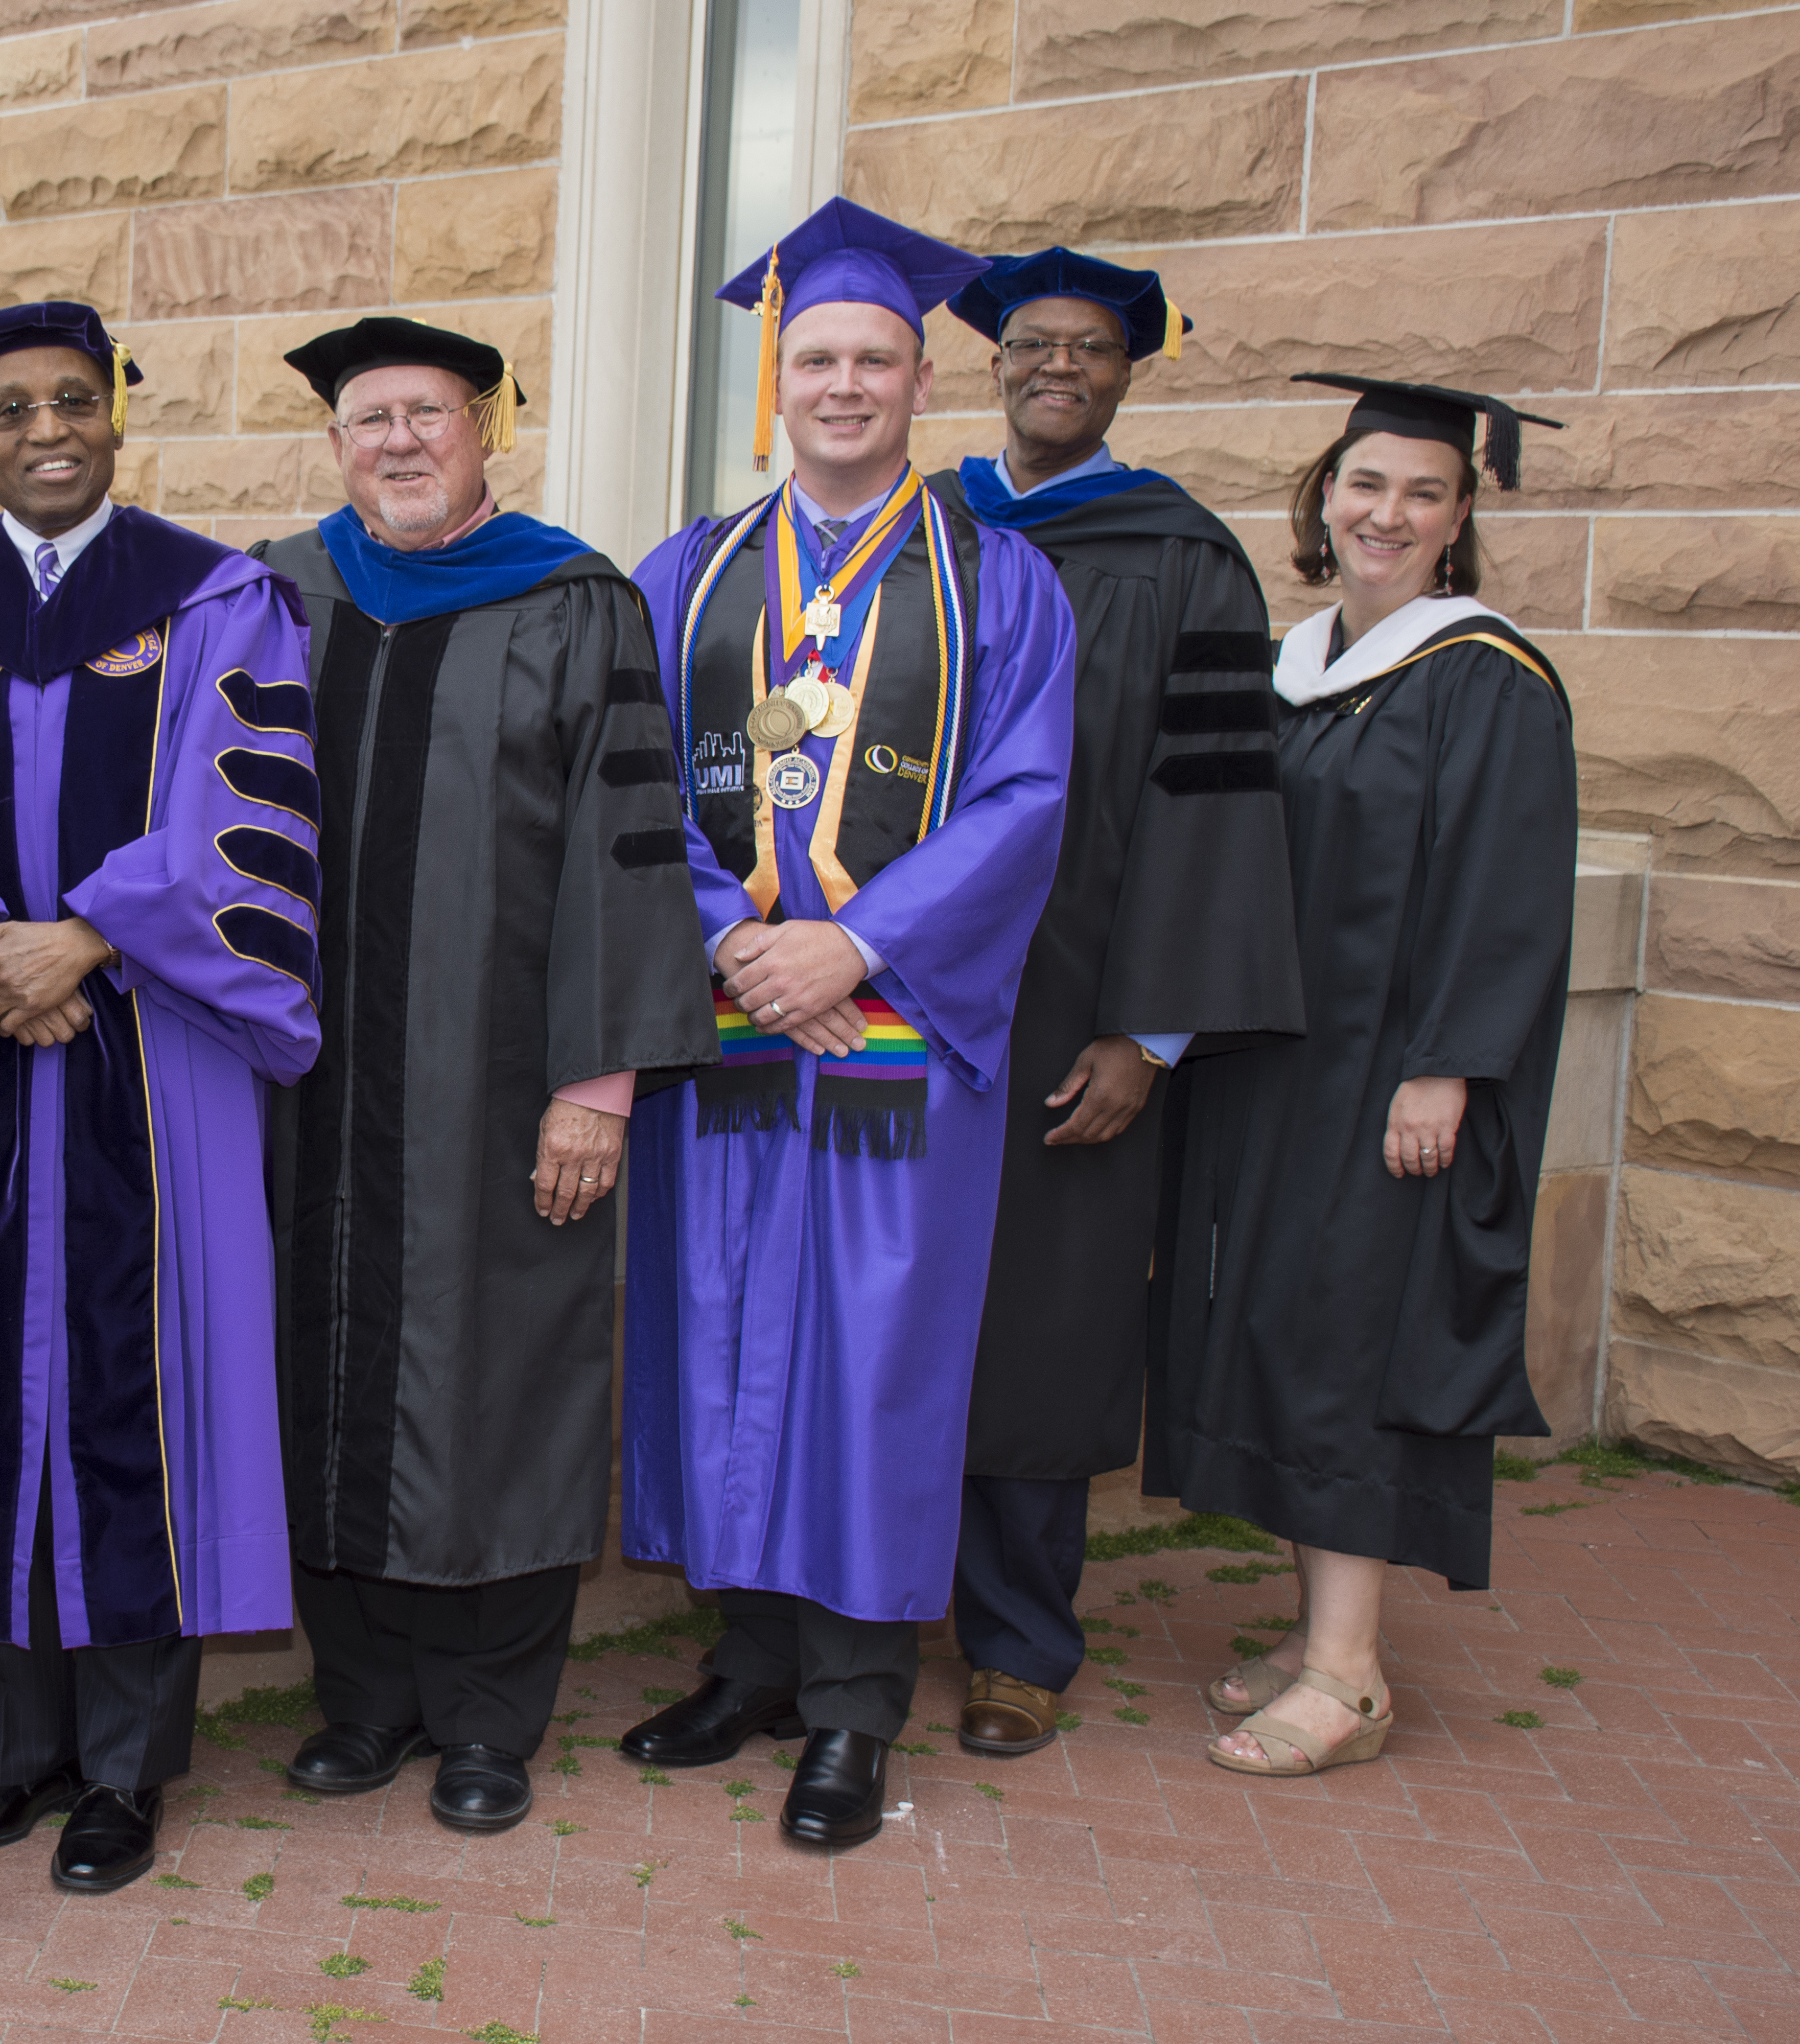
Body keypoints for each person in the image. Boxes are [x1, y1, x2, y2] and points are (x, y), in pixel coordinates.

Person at [0, 302, 320, 1894]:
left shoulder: (214, 596)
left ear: (119, 414)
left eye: (74, 401)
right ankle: (15, 1753)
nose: (46, 430)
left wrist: (92, 938)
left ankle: (123, 1768)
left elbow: (238, 817)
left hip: (154, 1040)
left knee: (138, 1382)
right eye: (8, 411)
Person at [614, 199, 1078, 1849]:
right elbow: (631, 787)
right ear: (778, 374)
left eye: (876, 358)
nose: (844, 384)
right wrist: (734, 942)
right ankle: (749, 1662)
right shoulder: (690, 575)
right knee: (725, 1329)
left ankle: (858, 1705)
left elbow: (1025, 804)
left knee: (873, 1357)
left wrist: (856, 946)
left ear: (920, 377)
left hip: (895, 1041)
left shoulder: (999, 591)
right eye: (817, 356)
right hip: (735, 1029)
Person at [256, 316, 715, 1832]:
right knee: (318, 1363)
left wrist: (601, 1084)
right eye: (370, 418)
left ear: (485, 432)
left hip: (497, 1073)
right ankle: (363, 1700)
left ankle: (487, 1722)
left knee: (500, 1375)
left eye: (429, 414)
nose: (399, 441)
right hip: (306, 1081)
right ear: (338, 445)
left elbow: (629, 855)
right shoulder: (280, 593)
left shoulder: (576, 600)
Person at [1150, 375, 1575, 1779]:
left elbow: (1506, 894)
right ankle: (1315, 1628)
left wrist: (1448, 1070)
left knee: (1348, 1345)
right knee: (1275, 1325)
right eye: (1366, 484)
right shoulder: (1298, 664)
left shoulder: (1485, 680)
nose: (1386, 512)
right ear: (1327, 497)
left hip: (1390, 1082)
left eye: (1422, 492)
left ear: (1459, 520)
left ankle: (1351, 1674)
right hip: (1277, 1070)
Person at [925, 250, 1304, 1759]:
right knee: (888, 1304)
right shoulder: (924, 525)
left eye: (1090, 349)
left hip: (1075, 1006)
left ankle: (1021, 1643)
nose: (1058, 367)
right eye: (1034, 344)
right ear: (997, 364)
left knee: (1047, 1321)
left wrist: (1150, 1031)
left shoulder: (1187, 555)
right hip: (896, 995)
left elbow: (1210, 808)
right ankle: (862, 1615)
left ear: (1130, 373)